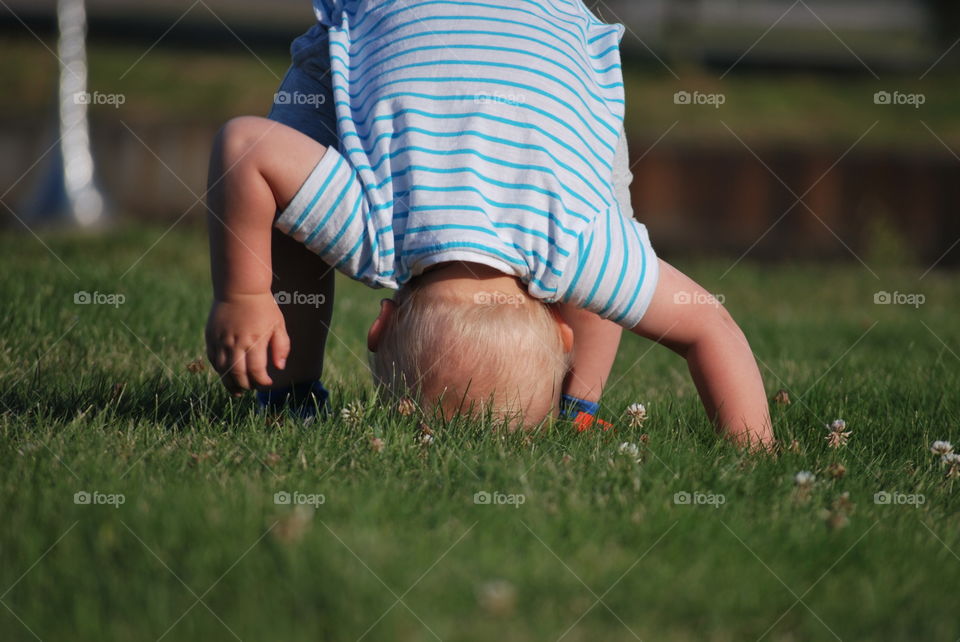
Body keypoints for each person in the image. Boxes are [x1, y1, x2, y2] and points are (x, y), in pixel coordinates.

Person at [204, 0, 774, 446]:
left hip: (551, 60)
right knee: (291, 200)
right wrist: (244, 293)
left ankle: (290, 396)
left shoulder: (575, 249)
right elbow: (244, 148)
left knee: (603, 220)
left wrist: (757, 454)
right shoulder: (376, 230)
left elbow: (708, 329)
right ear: (380, 327)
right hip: (444, 33)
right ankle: (578, 410)